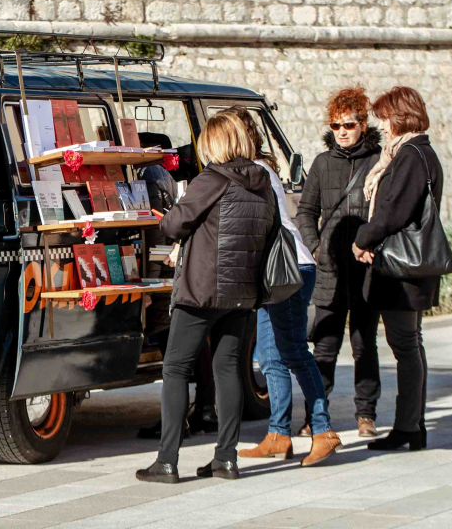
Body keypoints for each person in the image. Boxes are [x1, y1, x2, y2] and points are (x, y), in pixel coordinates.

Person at [136, 113, 278, 484]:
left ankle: (167, 461)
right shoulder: (263, 182)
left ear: (214, 144)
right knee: (227, 368)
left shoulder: (212, 179)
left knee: (176, 369)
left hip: (201, 290)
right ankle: (226, 459)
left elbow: (174, 224)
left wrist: (165, 216)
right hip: (243, 292)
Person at [221, 107, 342, 467]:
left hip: (290, 269)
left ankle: (323, 430)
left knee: (292, 353)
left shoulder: (255, 172)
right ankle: (278, 434)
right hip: (276, 272)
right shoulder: (254, 171)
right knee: (270, 357)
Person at [353, 87, 441, 451]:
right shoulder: (420, 152)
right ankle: (411, 425)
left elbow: (394, 210)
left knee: (404, 344)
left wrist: (363, 238)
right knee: (409, 344)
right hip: (409, 265)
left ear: (401, 116)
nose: (383, 127)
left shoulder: (410, 155)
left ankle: (409, 427)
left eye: (386, 118)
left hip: (402, 266)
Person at [295, 86, 384, 439]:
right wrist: (315, 248)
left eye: (349, 124)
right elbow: (306, 211)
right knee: (325, 347)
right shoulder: (321, 163)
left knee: (364, 344)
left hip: (367, 269)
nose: (342, 131)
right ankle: (315, 417)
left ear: (363, 123)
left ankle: (367, 414)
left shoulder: (379, 160)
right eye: (336, 125)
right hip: (329, 269)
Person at [136, 132, 218, 440]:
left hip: (160, 265)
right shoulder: (163, 174)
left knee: (174, 349)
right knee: (193, 345)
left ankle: (178, 418)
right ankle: (204, 409)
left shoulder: (149, 174)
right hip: (173, 265)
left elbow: (160, 228)